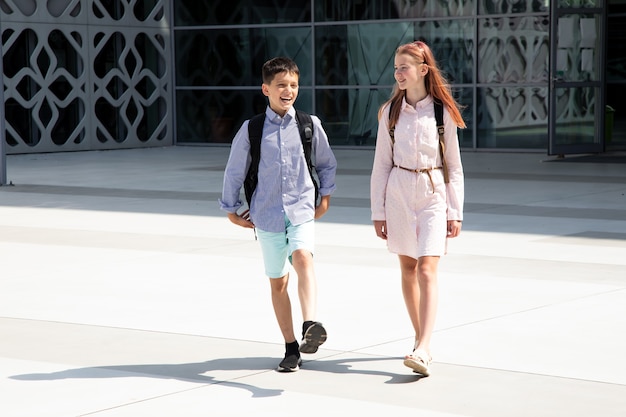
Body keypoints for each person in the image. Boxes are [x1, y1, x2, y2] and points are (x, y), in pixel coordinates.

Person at [220, 57, 337, 372]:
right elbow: (235, 170)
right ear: (266, 89)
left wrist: (324, 197)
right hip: (266, 214)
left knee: (303, 257)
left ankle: (310, 323)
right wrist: (230, 209)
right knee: (278, 283)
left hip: (301, 208)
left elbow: (326, 163)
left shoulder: (308, 124)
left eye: (294, 85)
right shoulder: (252, 129)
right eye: (282, 85)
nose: (289, 90)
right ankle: (290, 348)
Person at [370, 41, 465, 377]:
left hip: (433, 196)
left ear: (423, 70)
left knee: (427, 269)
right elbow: (381, 164)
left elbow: (453, 164)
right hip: (398, 194)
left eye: (404, 67)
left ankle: (423, 348)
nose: (398, 73)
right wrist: (377, 211)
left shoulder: (443, 113)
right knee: (408, 270)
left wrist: (455, 211)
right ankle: (419, 338)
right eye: (396, 67)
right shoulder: (389, 113)